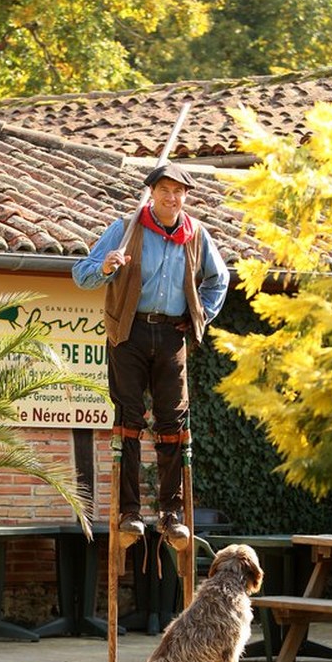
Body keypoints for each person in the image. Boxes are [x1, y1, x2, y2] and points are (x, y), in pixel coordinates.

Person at [72, 163, 229, 550]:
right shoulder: (126, 229)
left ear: (185, 197)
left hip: (173, 333)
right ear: (152, 193)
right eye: (165, 190)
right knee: (128, 420)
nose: (172, 198)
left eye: (179, 192)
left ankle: (171, 514)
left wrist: (199, 315)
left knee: (173, 423)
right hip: (129, 331)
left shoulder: (196, 236)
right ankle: (129, 513)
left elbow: (218, 279)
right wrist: (107, 267)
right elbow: (81, 273)